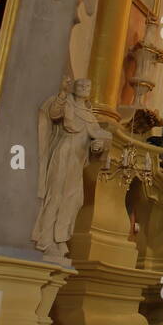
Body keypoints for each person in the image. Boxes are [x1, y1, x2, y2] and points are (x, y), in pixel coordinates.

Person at [33, 78, 111, 263]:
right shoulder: (66, 104)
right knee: (56, 195)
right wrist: (62, 93)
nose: (84, 88)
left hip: (78, 160)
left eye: (88, 86)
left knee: (74, 199)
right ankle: (46, 239)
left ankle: (61, 238)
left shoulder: (89, 114)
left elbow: (95, 139)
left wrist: (98, 146)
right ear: (75, 88)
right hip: (63, 154)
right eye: (81, 85)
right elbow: (53, 114)